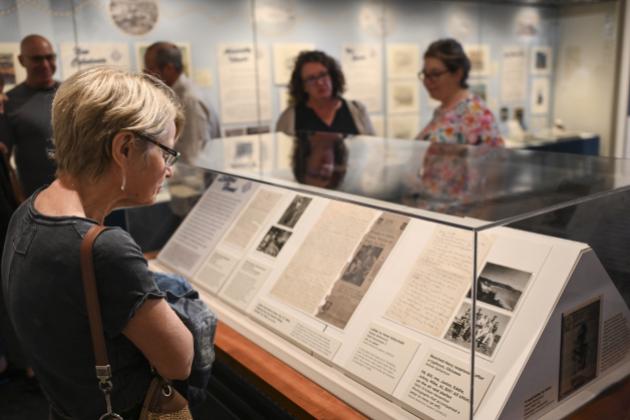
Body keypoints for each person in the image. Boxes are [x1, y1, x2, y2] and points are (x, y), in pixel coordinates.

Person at [1, 66, 194, 419]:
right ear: (123, 148)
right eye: (166, 153)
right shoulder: (106, 249)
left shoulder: (30, 209)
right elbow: (179, 360)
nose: (168, 169)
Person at [0, 34, 59, 197]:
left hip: (82, 195)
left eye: (50, 58)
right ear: (21, 60)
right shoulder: (9, 102)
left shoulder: (72, 93)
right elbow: (4, 161)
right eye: (37, 59)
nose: (45, 65)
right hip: (38, 201)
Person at [416, 38, 503, 146]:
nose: (427, 81)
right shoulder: (443, 110)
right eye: (425, 74)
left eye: (435, 74)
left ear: (457, 73)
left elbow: (494, 159)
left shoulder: (475, 112)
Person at [144, 41, 221, 164]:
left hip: (195, 178)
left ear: (169, 68)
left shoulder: (189, 100)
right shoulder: (176, 95)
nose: (146, 74)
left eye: (149, 68)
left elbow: (194, 155)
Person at [276, 50, 375, 136]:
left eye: (323, 75)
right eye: (311, 79)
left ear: (332, 76)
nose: (319, 82)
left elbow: (372, 148)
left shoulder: (357, 111)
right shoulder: (290, 118)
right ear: (303, 86)